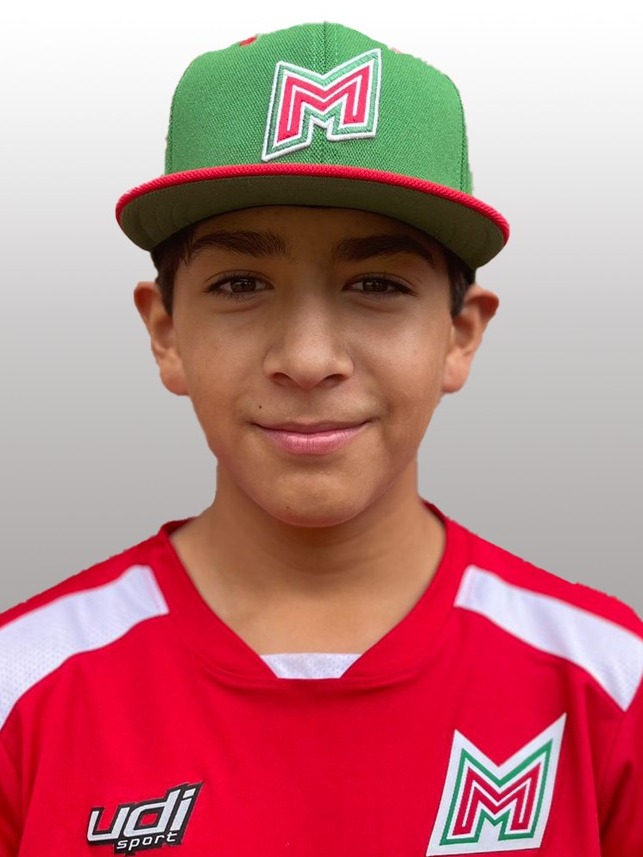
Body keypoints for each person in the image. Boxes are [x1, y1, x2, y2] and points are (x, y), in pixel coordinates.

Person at [0, 20, 640, 857]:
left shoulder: (606, 682)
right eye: (241, 283)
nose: (307, 359)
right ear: (165, 332)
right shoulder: (24, 685)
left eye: (376, 283)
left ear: (459, 335)